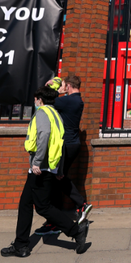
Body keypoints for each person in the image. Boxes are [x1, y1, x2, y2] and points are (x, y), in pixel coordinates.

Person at [1, 86, 89, 258]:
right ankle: (21, 245)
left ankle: (75, 230)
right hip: (51, 166)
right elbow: (61, 141)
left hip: (40, 168)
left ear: (40, 99)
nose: (34, 102)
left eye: (35, 99)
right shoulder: (56, 114)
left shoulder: (42, 113)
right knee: (25, 204)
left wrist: (37, 162)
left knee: (43, 207)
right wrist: (59, 169)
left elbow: (45, 134)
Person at [35, 75, 93, 236]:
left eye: (64, 86)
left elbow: (45, 101)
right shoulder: (76, 100)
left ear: (68, 86)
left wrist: (53, 88)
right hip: (71, 144)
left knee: (57, 177)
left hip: (66, 145)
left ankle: (78, 206)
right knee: (56, 178)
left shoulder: (69, 100)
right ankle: (55, 221)